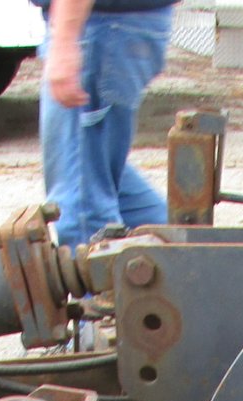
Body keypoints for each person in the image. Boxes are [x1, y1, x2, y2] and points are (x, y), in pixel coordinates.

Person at [37, 0, 176, 248]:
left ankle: (191, 259)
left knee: (82, 209)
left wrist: (66, 40)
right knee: (104, 182)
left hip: (99, 27)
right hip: (110, 26)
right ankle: (191, 256)